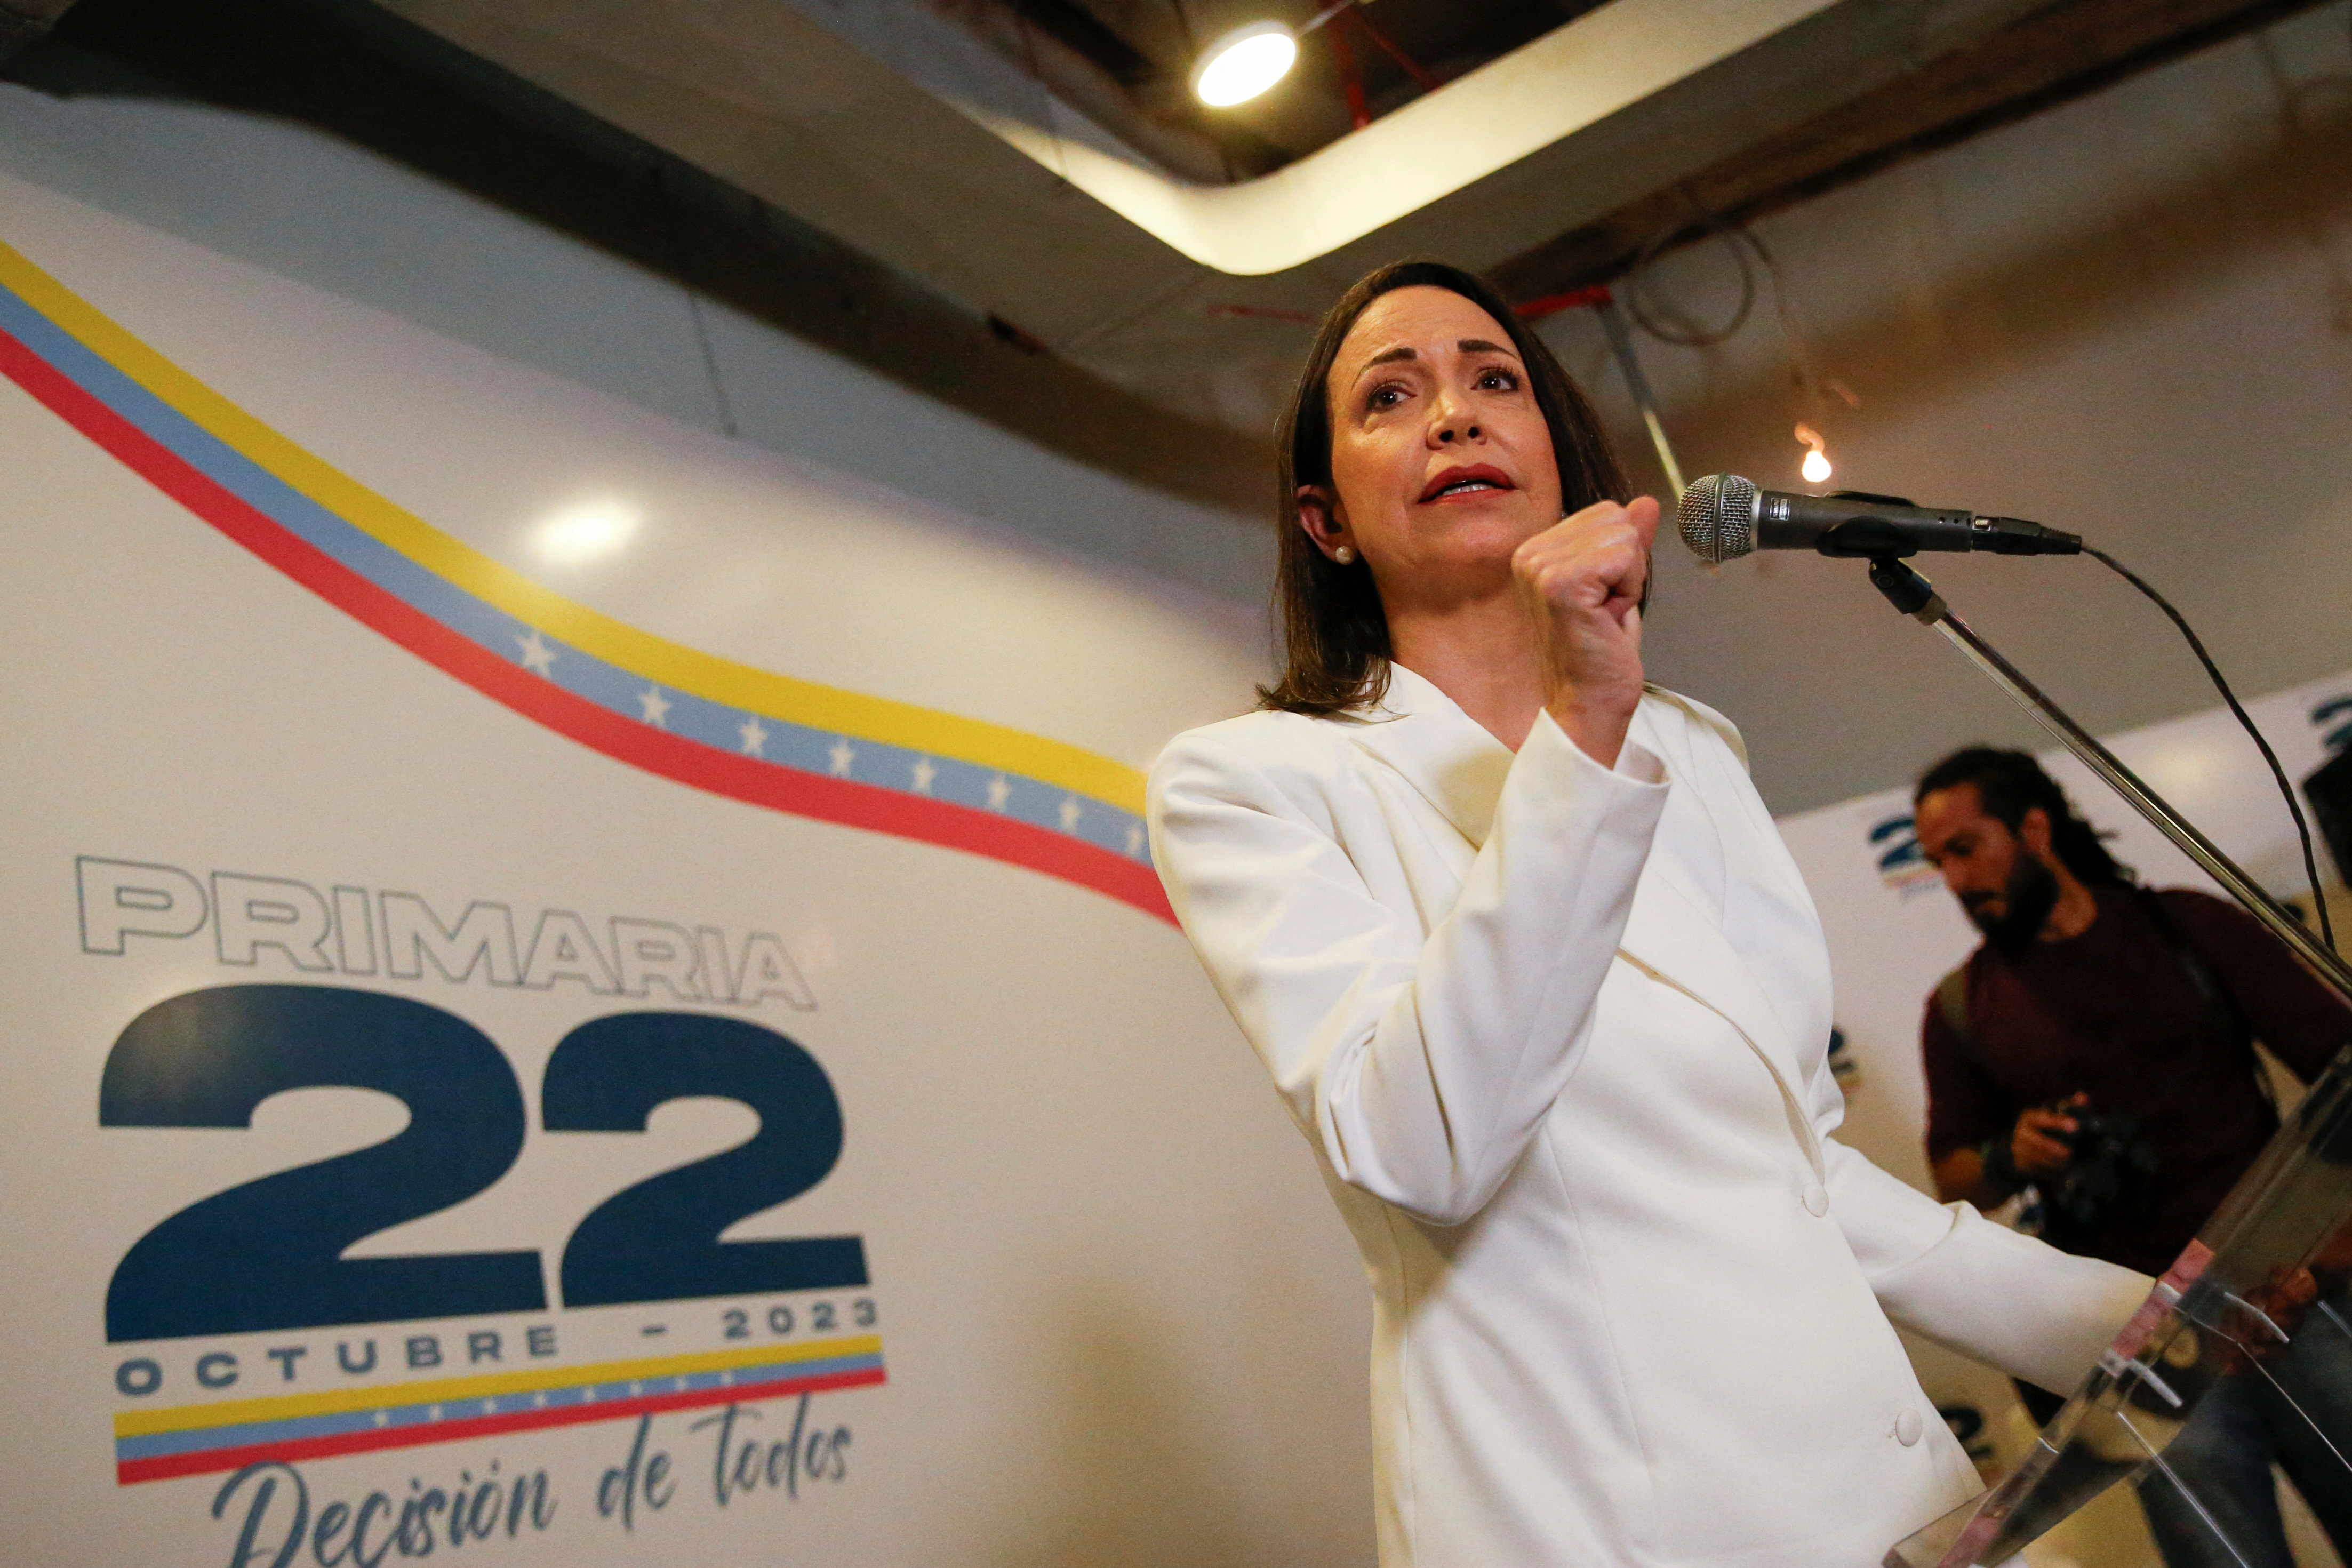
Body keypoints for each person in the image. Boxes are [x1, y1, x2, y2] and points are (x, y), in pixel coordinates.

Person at [1145, 259, 2149, 1568]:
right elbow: (1429, 1145)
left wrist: (2138, 1323)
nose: (1455, 414)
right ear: (1327, 524)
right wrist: (1582, 730)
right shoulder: (1253, 782)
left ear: (1559, 465)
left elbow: (1793, 1174)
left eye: (1494, 380)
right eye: (1392, 397)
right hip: (1604, 1523)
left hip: (1885, 1504)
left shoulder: (1693, 746)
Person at [1914, 746, 2352, 1568]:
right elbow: (1951, 1174)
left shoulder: (2186, 926)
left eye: (1965, 848)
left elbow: (2341, 1078)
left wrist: (2327, 1251)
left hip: (2292, 1296)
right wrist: (2011, 1153)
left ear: (2034, 829)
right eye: (1936, 861)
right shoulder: (1959, 1010)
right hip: (2141, 1343)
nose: (1953, 879)